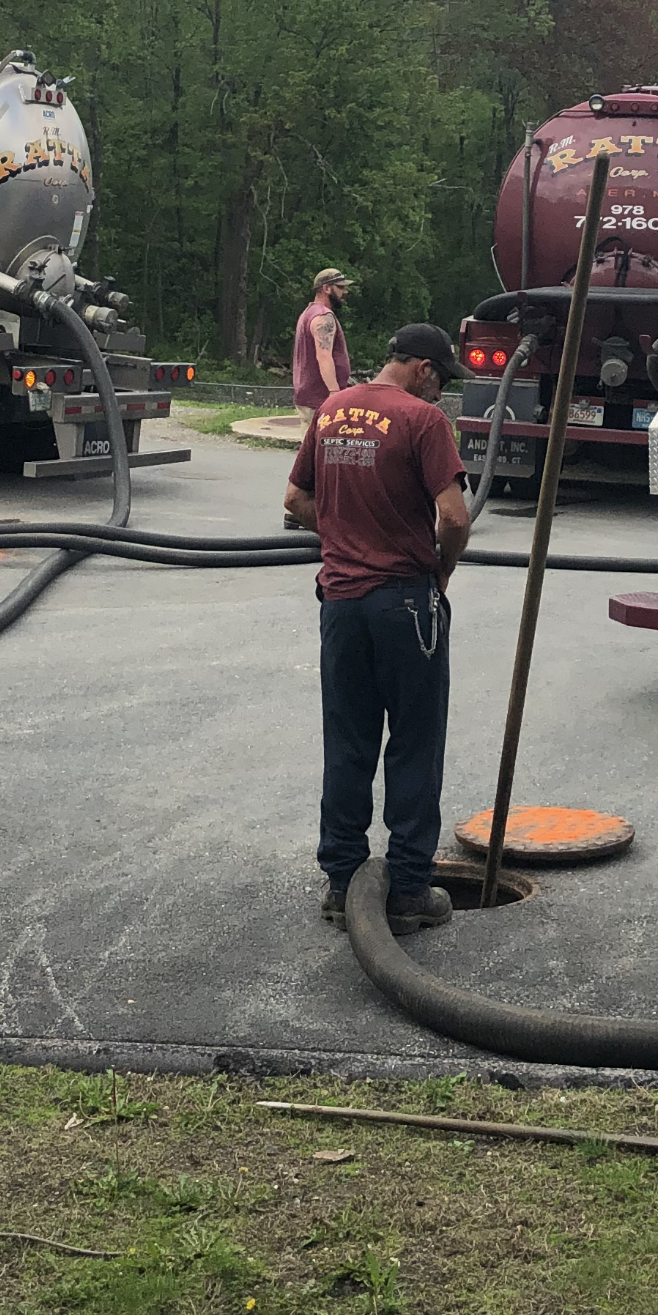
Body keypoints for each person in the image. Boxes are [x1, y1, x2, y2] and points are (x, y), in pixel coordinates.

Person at [284, 323, 471, 935]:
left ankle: (342, 885)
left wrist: (343, 535)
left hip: (339, 603)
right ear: (420, 368)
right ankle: (410, 889)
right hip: (404, 604)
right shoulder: (422, 420)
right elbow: (454, 516)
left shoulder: (334, 410)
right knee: (415, 743)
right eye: (440, 379)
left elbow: (294, 499)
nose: (441, 392)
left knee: (348, 741)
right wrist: (437, 571)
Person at [292, 268, 353, 428]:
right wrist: (334, 393)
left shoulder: (308, 313)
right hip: (320, 400)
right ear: (326, 288)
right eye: (340, 287)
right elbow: (324, 357)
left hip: (308, 396)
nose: (345, 291)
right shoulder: (323, 317)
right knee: (323, 449)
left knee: (312, 449)